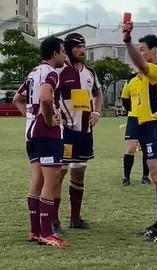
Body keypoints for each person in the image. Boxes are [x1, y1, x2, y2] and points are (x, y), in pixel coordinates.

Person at [13, 37, 70, 248]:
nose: (65, 55)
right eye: (63, 51)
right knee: (51, 180)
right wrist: (47, 120)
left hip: (31, 134)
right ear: (54, 53)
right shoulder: (51, 73)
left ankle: (35, 231)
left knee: (37, 180)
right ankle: (46, 233)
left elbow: (17, 99)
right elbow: (46, 98)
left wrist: (30, 117)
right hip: (47, 134)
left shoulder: (33, 73)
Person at [122, 24, 157, 242]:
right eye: (139, 48)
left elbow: (142, 65)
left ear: (155, 51)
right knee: (155, 177)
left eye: (143, 48)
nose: (140, 53)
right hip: (146, 127)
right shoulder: (143, 77)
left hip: (156, 127)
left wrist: (127, 41)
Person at [52, 33, 103, 232]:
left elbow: (98, 94)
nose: (82, 50)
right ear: (69, 49)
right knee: (59, 174)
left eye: (84, 46)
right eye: (78, 47)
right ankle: (54, 220)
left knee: (79, 172)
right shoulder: (59, 72)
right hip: (65, 132)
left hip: (85, 132)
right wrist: (54, 116)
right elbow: (48, 95)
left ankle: (75, 218)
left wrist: (97, 111)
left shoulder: (90, 72)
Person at [121, 74, 151, 186]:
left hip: (148, 118)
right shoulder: (130, 81)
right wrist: (133, 110)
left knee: (147, 148)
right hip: (133, 118)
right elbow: (125, 100)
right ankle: (126, 178)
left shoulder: (152, 79)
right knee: (131, 148)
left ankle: (145, 177)